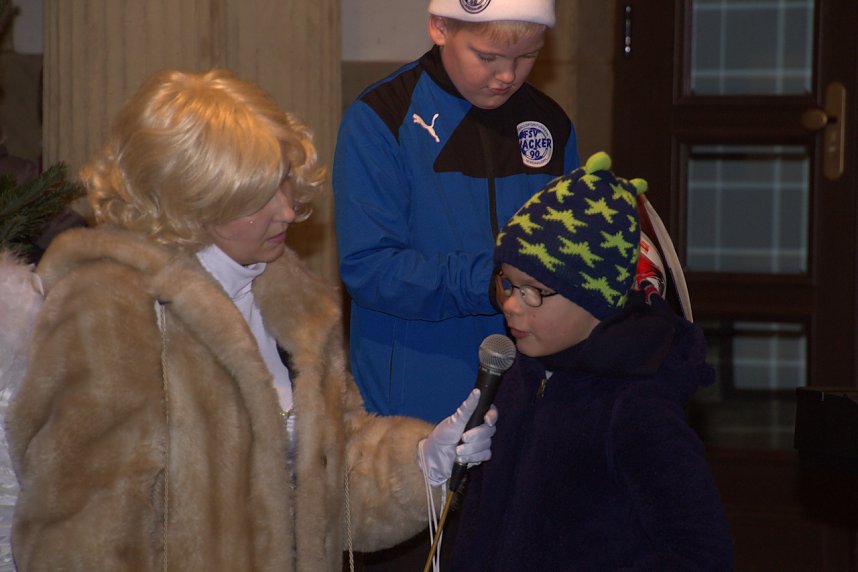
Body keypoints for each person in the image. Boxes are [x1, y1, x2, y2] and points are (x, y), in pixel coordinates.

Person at [4, 68, 498, 572]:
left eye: (284, 183)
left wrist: (424, 463)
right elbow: (80, 534)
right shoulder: (109, 309)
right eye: (260, 196)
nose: (288, 210)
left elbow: (332, 476)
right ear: (193, 200)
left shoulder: (292, 297)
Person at [450, 152, 735, 571]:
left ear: (596, 301)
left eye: (534, 291)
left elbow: (700, 552)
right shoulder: (520, 373)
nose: (511, 304)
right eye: (506, 283)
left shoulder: (636, 405)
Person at [333, 0, 579, 424]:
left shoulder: (551, 126)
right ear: (440, 27)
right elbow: (369, 269)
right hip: (412, 406)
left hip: (526, 400)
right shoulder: (381, 118)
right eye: (487, 57)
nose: (507, 75)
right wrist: (490, 281)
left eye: (527, 56)